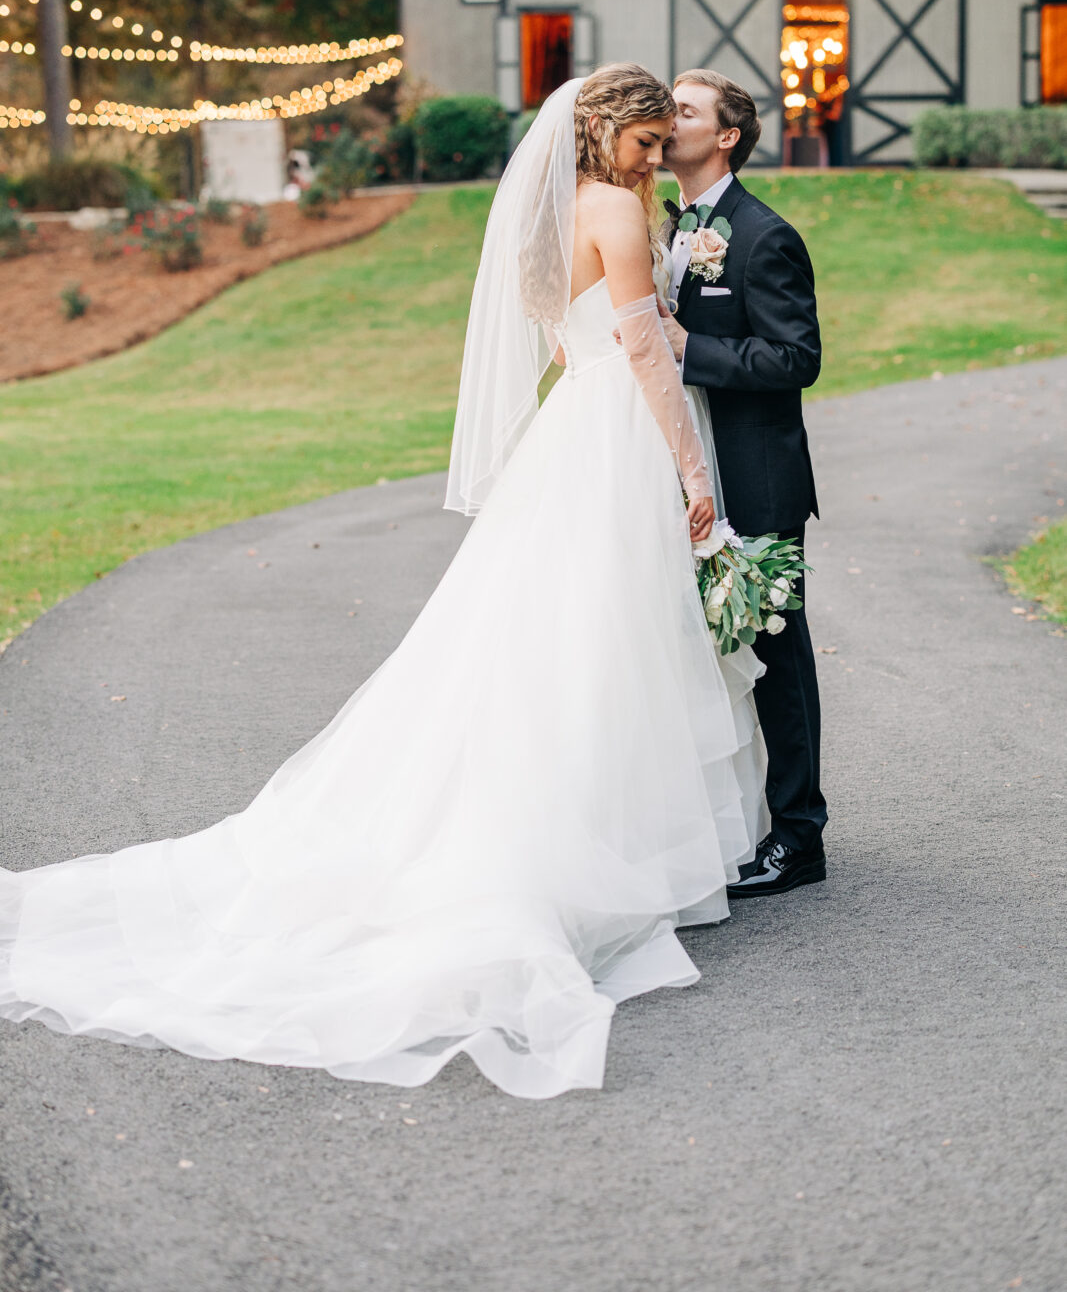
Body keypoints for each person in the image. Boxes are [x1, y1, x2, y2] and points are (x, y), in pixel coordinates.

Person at [0, 65, 768, 1101]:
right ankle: (577, 853)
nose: (651, 158)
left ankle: (596, 835)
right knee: (598, 638)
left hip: (570, 434)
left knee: (562, 640)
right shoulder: (614, 215)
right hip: (617, 437)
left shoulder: (555, 218)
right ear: (601, 134)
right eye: (640, 143)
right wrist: (689, 470)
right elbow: (642, 353)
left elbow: (560, 336)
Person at [659, 69, 827, 895]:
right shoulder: (672, 228)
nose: (666, 118)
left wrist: (691, 350)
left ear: (725, 136)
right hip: (695, 474)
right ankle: (731, 823)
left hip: (757, 478)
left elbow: (797, 358)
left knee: (776, 652)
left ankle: (799, 838)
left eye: (684, 110)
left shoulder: (762, 235)